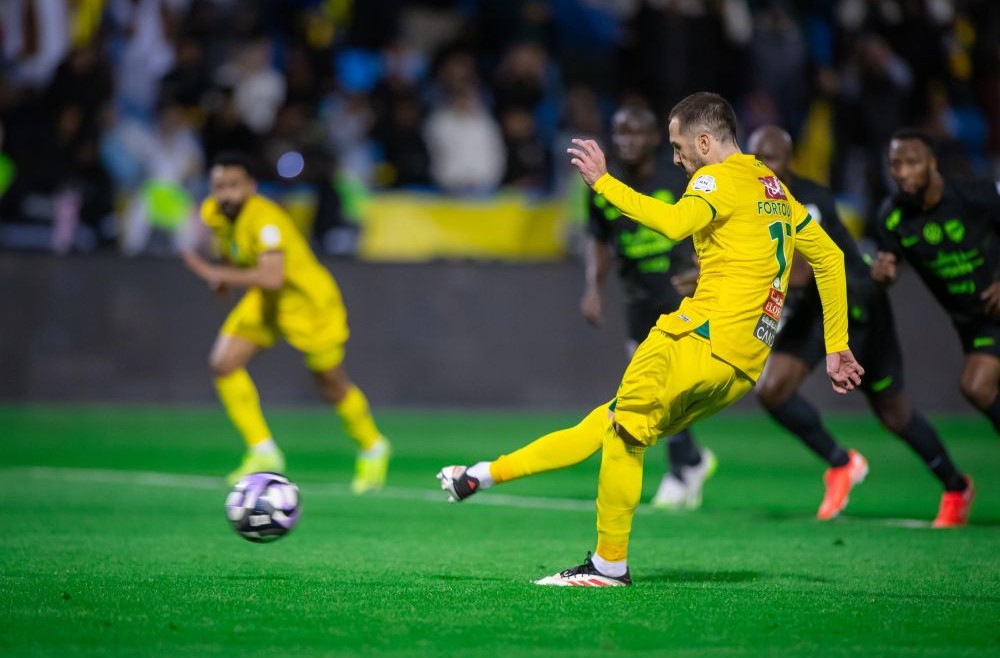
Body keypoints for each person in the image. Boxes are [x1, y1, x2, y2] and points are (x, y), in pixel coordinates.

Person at [438, 92, 863, 586]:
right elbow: (831, 258)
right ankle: (481, 475)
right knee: (609, 423)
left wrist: (604, 184)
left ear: (705, 142)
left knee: (623, 435)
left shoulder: (713, 177)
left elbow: (674, 223)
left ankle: (606, 568)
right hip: (742, 366)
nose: (677, 158)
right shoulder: (770, 185)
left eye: (680, 147)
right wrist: (837, 345)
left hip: (695, 338)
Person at [748, 126, 974, 527]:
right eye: (756, 160)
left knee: (893, 413)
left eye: (773, 159)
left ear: (791, 162)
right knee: (772, 389)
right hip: (814, 314)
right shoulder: (753, 201)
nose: (764, 168)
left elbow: (799, 271)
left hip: (858, 306)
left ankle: (955, 486)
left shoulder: (808, 200)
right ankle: (841, 463)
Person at [181, 152, 390, 491]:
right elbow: (229, 246)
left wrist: (216, 273)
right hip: (266, 302)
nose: (226, 194)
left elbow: (273, 276)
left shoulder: (266, 221)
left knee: (331, 384)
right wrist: (221, 277)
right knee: (224, 363)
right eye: (219, 186)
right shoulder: (215, 213)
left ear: (250, 187)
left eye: (234, 185)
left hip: (307, 304)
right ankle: (263, 451)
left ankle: (373, 446)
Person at [581, 104, 715, 511]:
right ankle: (691, 460)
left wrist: (701, 267)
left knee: (666, 387)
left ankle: (682, 467)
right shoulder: (604, 184)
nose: (627, 141)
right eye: (620, 132)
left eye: (636, 132)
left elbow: (708, 221)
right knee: (652, 389)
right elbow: (599, 240)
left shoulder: (677, 176)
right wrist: (592, 288)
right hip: (637, 297)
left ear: (655, 138)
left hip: (681, 294)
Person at [873, 128, 1000, 441]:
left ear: (932, 163)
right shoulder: (892, 217)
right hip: (975, 321)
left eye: (912, 162)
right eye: (895, 163)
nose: (902, 172)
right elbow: (890, 264)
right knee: (977, 388)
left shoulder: (976, 196)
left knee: (977, 385)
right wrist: (885, 274)